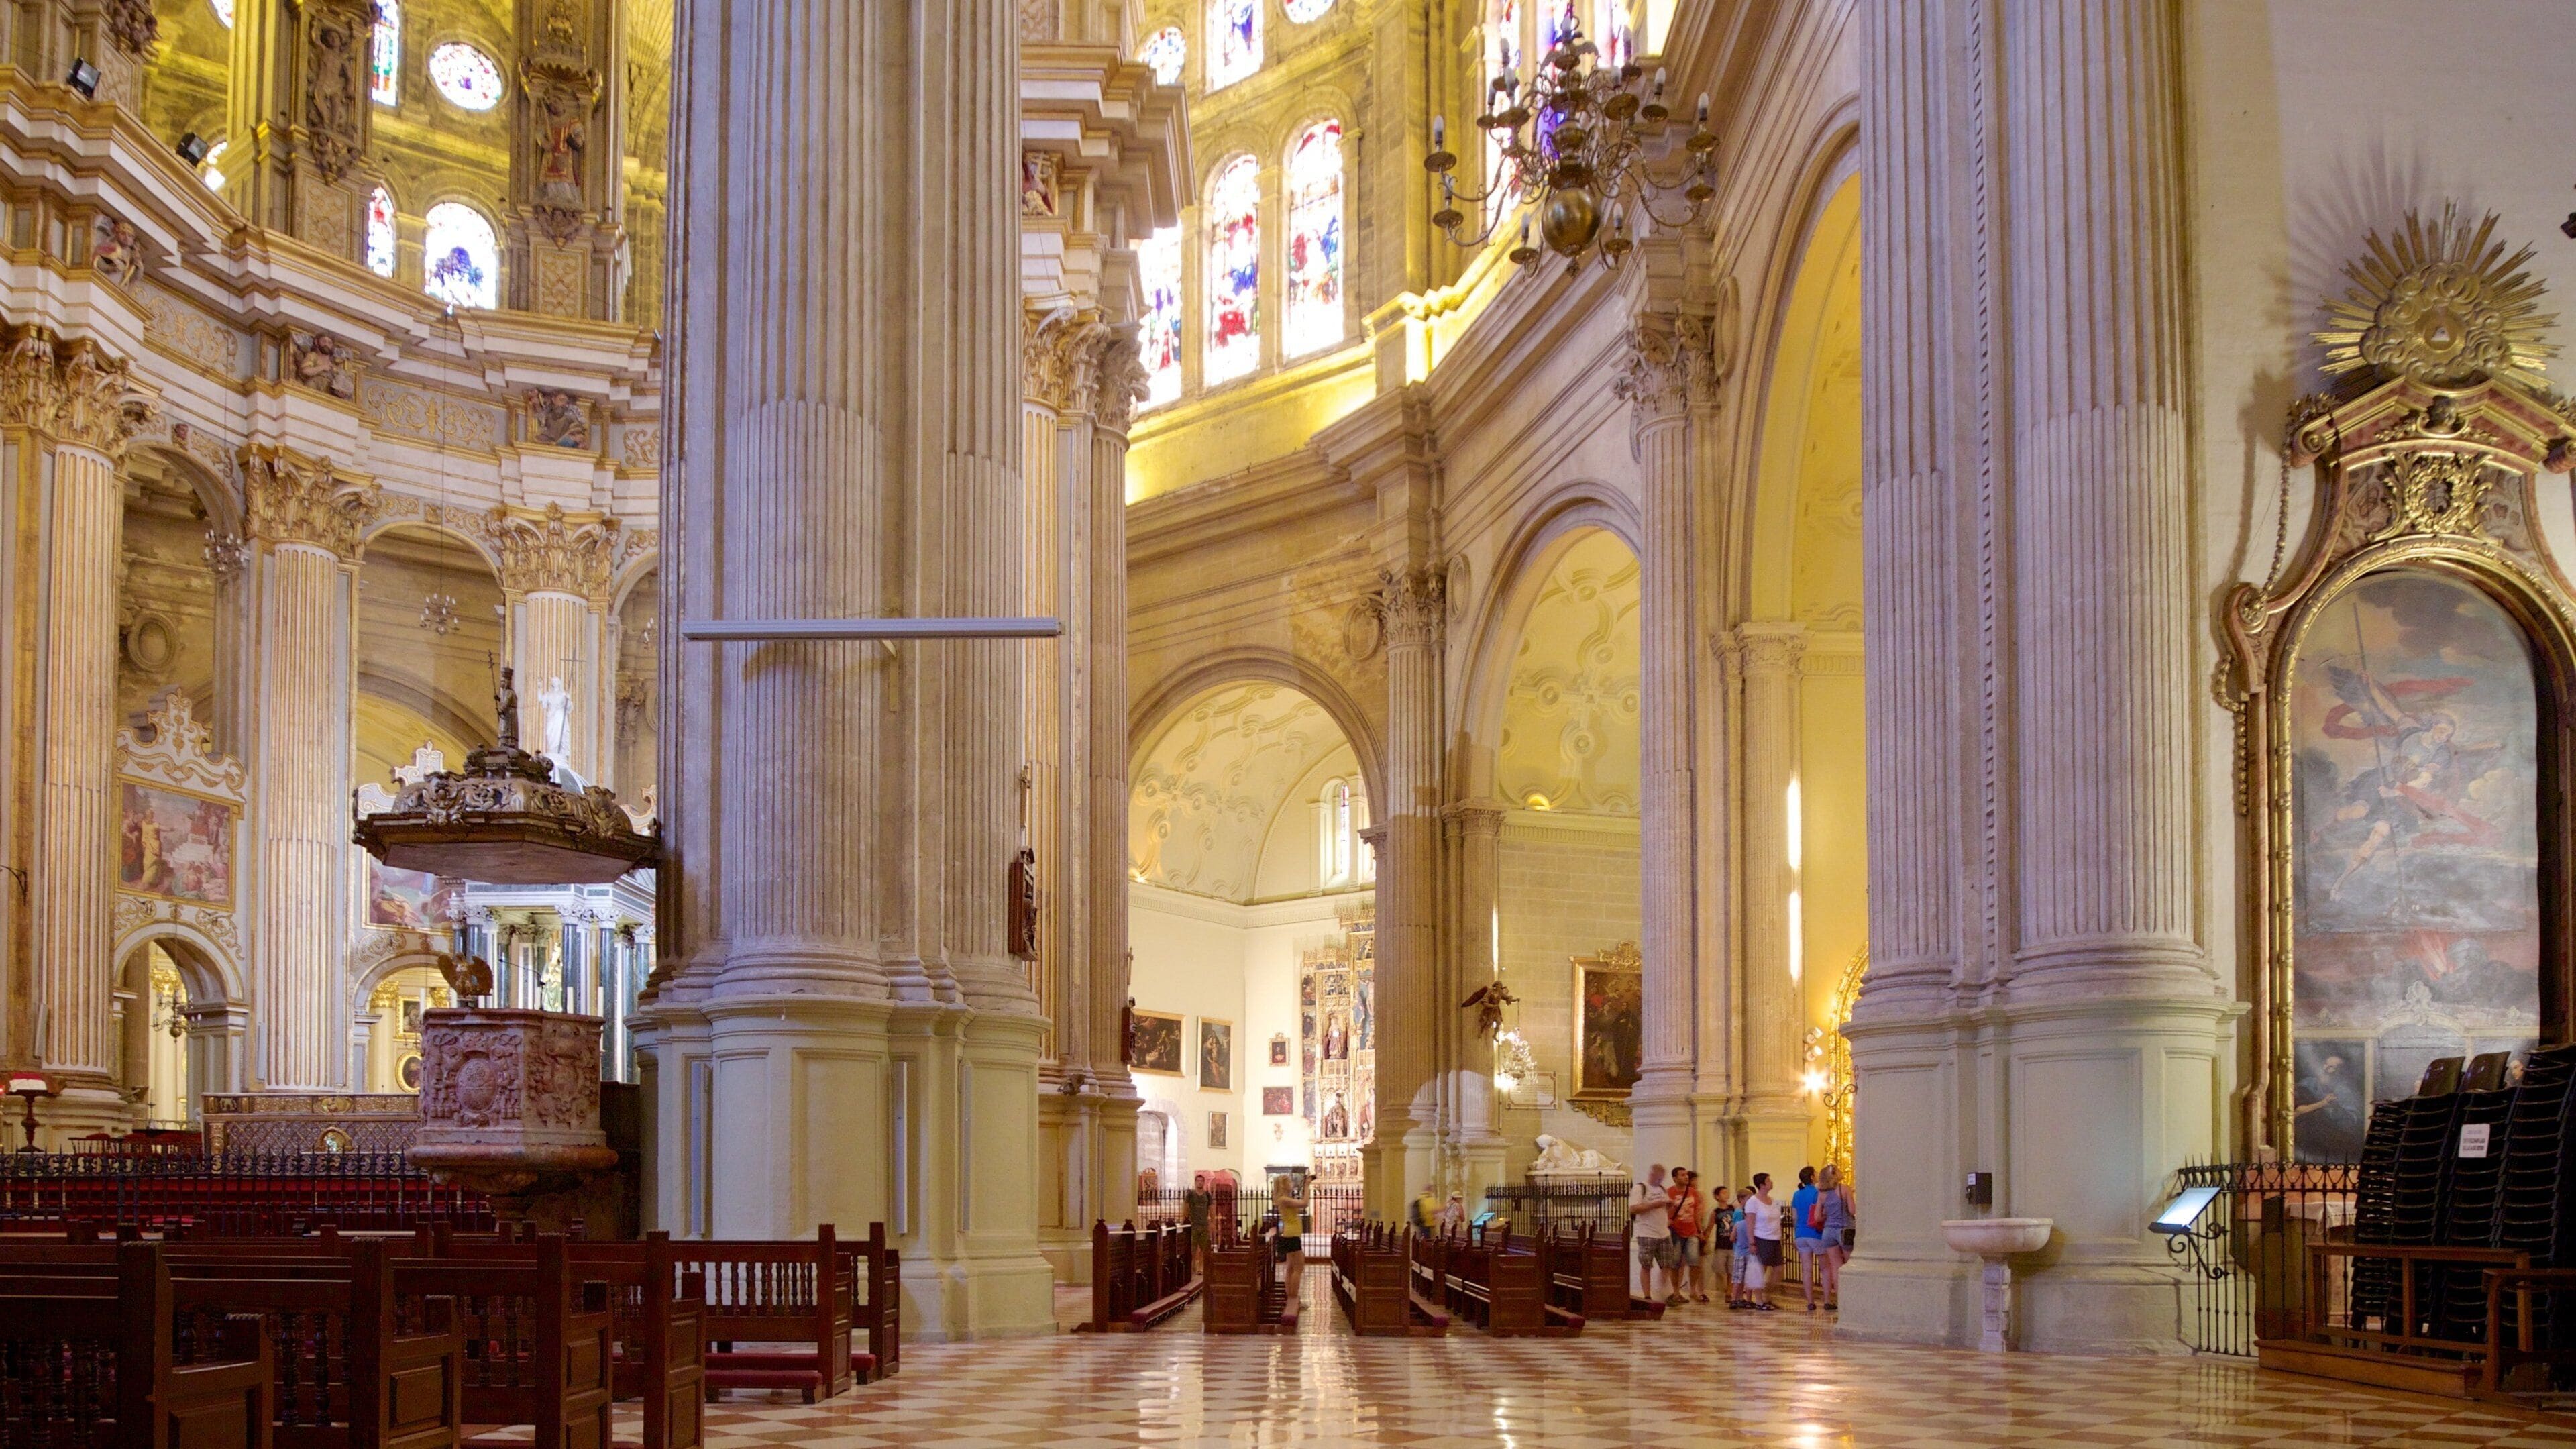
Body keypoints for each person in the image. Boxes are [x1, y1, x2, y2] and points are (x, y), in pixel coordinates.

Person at [1629, 1163, 1674, 1303]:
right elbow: (1634, 1209)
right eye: (1658, 1178)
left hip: (1663, 1232)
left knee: (1667, 1264)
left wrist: (1669, 1206)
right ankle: (1647, 1296)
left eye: (1662, 1179)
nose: (1660, 1181)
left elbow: (1663, 1208)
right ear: (1652, 1175)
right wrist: (1654, 1205)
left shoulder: (1662, 1189)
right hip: (1647, 1232)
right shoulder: (1640, 1188)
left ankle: (1662, 1291)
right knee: (1646, 1264)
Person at [1817, 1163, 1856, 1311]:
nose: (1841, 1171)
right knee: (1850, 1264)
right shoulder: (1844, 1189)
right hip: (1844, 1230)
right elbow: (1852, 1210)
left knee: (1836, 1267)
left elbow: (1817, 1216)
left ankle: (1841, 1300)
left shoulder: (1822, 1194)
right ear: (1834, 1175)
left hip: (1828, 1231)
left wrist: (1828, 1215)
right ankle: (1852, 1298)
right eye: (1838, 1170)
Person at [1743, 1173, 1782, 1311]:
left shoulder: (1773, 1201)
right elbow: (1750, 1223)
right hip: (1761, 1238)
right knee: (1760, 1270)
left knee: (1779, 1269)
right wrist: (1752, 1242)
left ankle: (1768, 1295)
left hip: (1774, 1238)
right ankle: (1759, 1300)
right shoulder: (1753, 1202)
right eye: (1768, 1181)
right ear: (1762, 1185)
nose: (1771, 1182)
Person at [1667, 1167, 1706, 1305]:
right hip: (1676, 1232)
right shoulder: (1669, 1192)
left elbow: (1696, 1213)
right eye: (1682, 1175)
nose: (1686, 1177)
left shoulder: (1693, 1192)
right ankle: (1676, 1292)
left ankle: (1693, 1289)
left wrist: (1700, 1231)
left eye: (1686, 1175)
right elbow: (1665, 1212)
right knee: (1675, 1263)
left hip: (1692, 1232)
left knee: (1695, 1262)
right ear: (1675, 1178)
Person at [1791, 1165, 1826, 1310]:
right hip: (1815, 1233)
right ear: (1812, 1177)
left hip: (1801, 1234)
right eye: (1816, 1173)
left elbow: (1795, 1217)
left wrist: (1796, 1234)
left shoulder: (1797, 1194)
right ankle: (1827, 1300)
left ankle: (1810, 1302)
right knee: (1825, 1268)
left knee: (1806, 1270)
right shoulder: (1818, 1193)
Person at [1271, 1173, 1309, 1305]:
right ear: (1284, 1185)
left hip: (1290, 1234)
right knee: (1299, 1268)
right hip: (1292, 1235)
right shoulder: (1284, 1199)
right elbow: (1305, 1203)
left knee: (1291, 1268)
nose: (1292, 1184)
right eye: (1289, 1182)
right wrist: (1307, 1186)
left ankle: (1290, 1297)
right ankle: (1293, 1298)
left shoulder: (1285, 1199)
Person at [1727, 1185, 1756, 1308]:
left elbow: (1733, 1237)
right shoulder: (1743, 1216)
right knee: (1747, 1277)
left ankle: (1736, 1299)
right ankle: (1744, 1299)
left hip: (1739, 1251)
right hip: (1747, 1252)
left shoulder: (1739, 1222)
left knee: (1738, 1277)